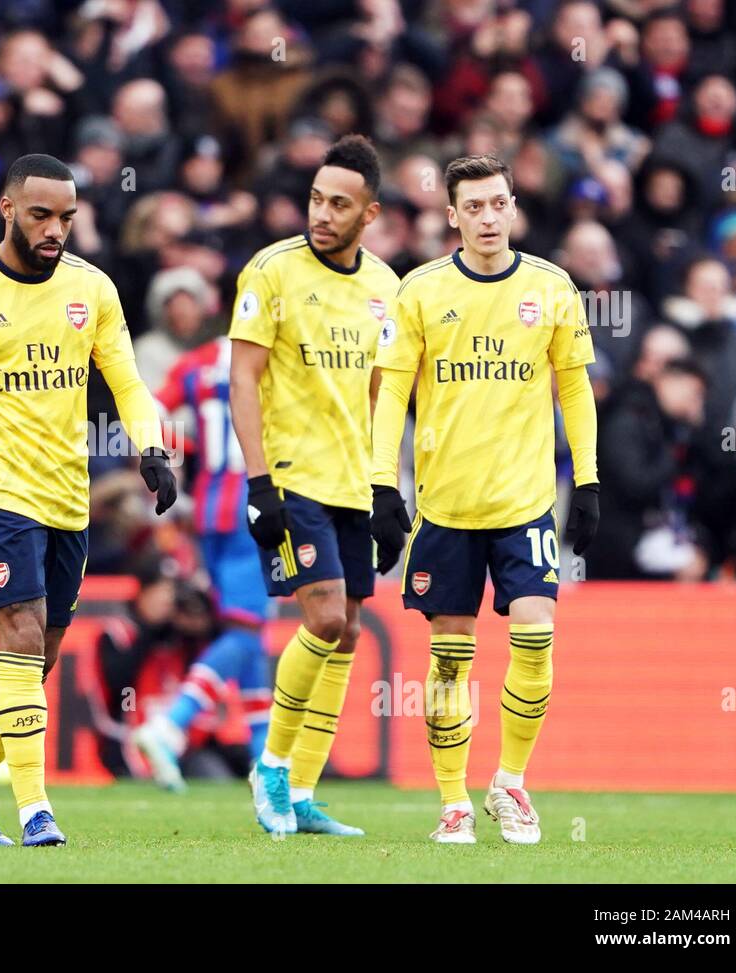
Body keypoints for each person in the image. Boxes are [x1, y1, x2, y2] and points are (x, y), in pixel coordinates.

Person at [0, 154, 177, 847]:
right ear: (9, 209)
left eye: (68, 217)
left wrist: (151, 447)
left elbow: (128, 381)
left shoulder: (93, 288)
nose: (56, 230)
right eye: (42, 215)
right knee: (17, 639)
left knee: (36, 660)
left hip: (66, 497)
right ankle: (35, 809)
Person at [369, 154, 601, 845]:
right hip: (446, 508)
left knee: (536, 632)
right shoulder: (419, 291)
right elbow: (391, 398)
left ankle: (511, 781)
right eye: (474, 207)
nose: (489, 217)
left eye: (499, 203)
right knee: (449, 659)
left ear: (513, 207)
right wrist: (384, 483)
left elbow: (575, 389)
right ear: (451, 216)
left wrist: (586, 479)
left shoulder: (552, 287)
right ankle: (454, 801)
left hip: (525, 501)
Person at [230, 135, 400, 837]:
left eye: (339, 204)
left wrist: (388, 488)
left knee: (351, 631)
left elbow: (386, 395)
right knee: (325, 619)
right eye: (315, 199)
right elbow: (242, 376)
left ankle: (300, 792)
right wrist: (259, 481)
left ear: (370, 213)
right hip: (293, 476)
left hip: (355, 483)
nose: (322, 214)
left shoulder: (388, 288)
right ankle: (269, 766)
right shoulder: (271, 271)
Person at [130, 335, 271, 793]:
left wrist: (171, 457)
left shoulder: (198, 361)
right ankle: (171, 724)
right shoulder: (274, 354)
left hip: (209, 511)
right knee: (249, 630)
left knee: (246, 634)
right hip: (258, 504)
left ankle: (263, 761)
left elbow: (152, 404)